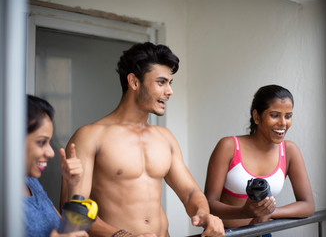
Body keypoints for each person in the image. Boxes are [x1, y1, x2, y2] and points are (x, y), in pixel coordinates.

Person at [60, 42, 224, 237]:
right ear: (134, 82)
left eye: (170, 83)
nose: (169, 91)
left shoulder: (165, 138)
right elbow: (72, 209)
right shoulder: (91, 136)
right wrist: (121, 235)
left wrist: (204, 214)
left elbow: (190, 193)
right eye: (161, 82)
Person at [204, 85, 315, 234]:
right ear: (257, 117)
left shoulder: (289, 150)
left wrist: (269, 212)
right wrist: (244, 212)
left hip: (263, 232)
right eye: (274, 115)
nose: (283, 123)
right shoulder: (229, 146)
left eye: (288, 116)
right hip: (227, 233)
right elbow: (209, 204)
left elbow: (307, 205)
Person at [24, 94, 88, 237]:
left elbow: (67, 231)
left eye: (49, 142)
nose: (51, 153)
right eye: (41, 142)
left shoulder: (31, 182)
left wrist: (74, 187)